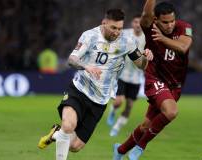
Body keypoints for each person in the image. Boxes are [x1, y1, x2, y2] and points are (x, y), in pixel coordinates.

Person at [37, 9, 153, 160]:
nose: (117, 32)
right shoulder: (90, 36)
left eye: (119, 28)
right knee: (68, 125)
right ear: (104, 23)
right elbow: (72, 60)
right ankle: (62, 135)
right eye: (113, 28)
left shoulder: (127, 42)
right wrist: (86, 67)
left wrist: (146, 58)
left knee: (75, 146)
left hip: (100, 99)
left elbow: (141, 65)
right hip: (79, 89)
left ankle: (56, 134)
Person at [113, 1, 193, 160]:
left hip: (175, 85)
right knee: (171, 112)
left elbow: (183, 47)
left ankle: (120, 151)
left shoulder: (184, 27)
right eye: (165, 22)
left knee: (146, 126)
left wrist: (163, 38)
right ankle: (141, 146)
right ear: (156, 20)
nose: (170, 25)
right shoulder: (150, 28)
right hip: (155, 78)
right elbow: (146, 15)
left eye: (172, 21)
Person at [106, 15, 146, 137]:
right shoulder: (124, 33)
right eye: (135, 21)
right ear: (132, 23)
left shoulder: (147, 37)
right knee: (119, 101)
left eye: (140, 22)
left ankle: (116, 127)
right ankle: (112, 111)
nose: (138, 24)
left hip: (136, 77)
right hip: (122, 74)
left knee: (129, 106)